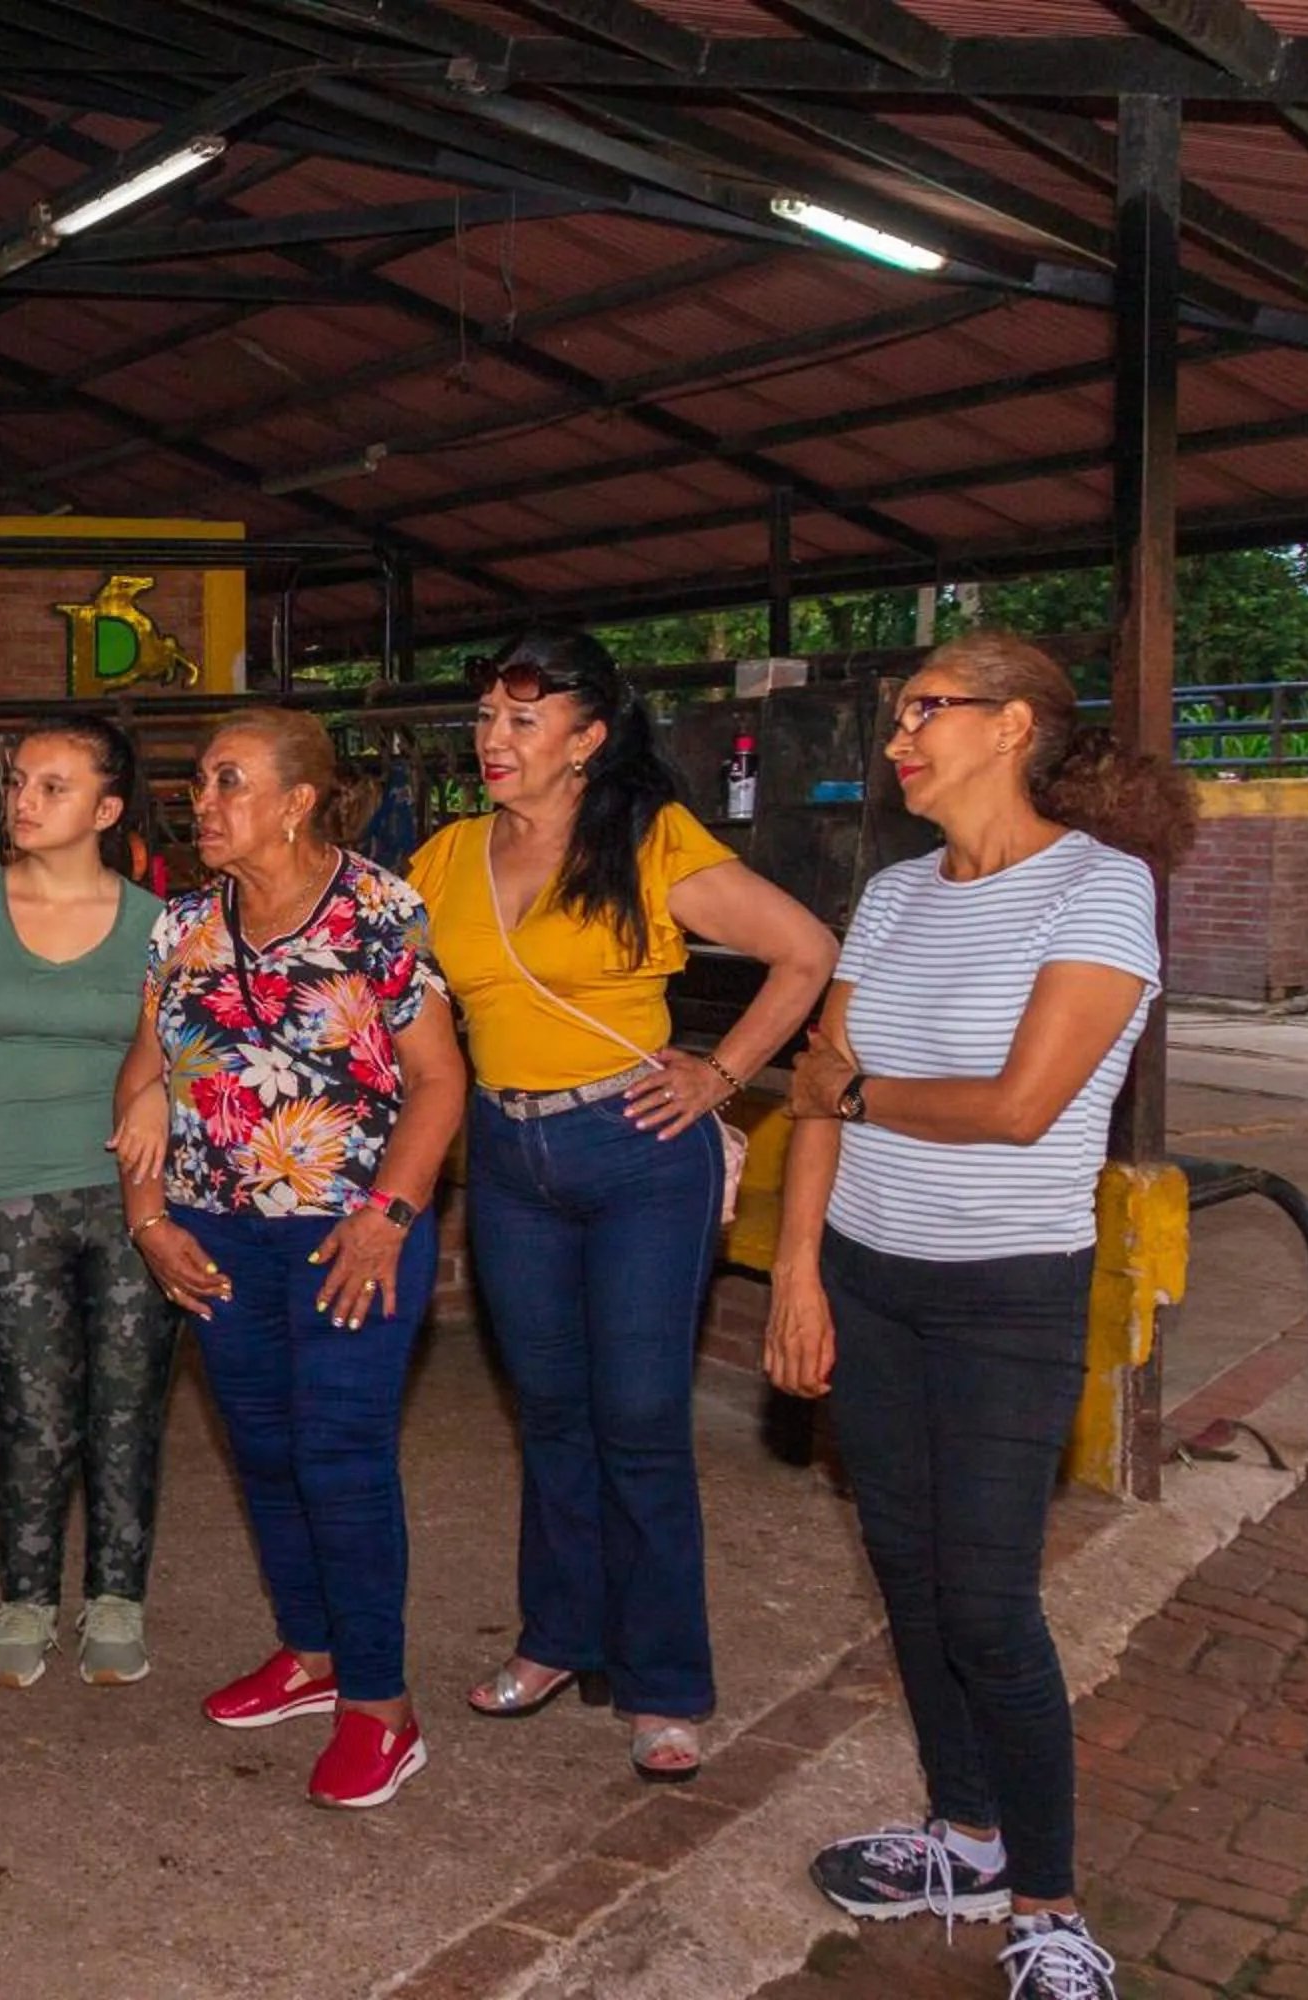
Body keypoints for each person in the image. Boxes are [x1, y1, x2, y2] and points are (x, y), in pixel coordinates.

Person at [770, 633, 1193, 2000]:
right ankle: (960, 1834)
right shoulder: (892, 893)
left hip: (1007, 1291)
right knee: (908, 1573)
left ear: (1012, 727)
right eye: (899, 714)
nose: (900, 736)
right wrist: (796, 1274)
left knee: (991, 1605)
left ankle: (1050, 1906)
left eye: (924, 711)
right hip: (871, 1278)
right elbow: (813, 1088)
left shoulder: (1102, 888)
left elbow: (1021, 1109)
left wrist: (854, 1097)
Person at [408, 629, 836, 1784]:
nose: (494, 740)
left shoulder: (649, 838)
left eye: (524, 722)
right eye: (488, 718)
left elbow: (805, 950)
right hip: (510, 1153)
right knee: (548, 1411)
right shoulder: (443, 856)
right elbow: (382, 989)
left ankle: (664, 1682)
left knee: (640, 1417)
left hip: (639, 1148)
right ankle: (558, 1636)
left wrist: (722, 1075)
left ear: (589, 739)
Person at [110, 709, 466, 1810]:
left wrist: (388, 1217)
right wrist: (146, 1214)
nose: (202, 801)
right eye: (201, 780)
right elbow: (142, 1076)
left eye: (229, 781)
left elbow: (441, 1081)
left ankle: (381, 1705)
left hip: (351, 1232)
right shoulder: (180, 925)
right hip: (214, 1230)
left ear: (300, 798)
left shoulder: (377, 910)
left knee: (341, 1453)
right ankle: (310, 1653)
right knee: (263, 1447)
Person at [0, 718, 171, 1689]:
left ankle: (116, 1595)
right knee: (30, 1408)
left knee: (127, 1402)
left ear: (105, 809)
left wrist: (159, 1099)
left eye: (54, 786)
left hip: (128, 1192)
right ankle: (24, 1596)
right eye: (21, 781)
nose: (24, 799)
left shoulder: (158, 924)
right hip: (0, 1188)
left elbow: (183, 1054)